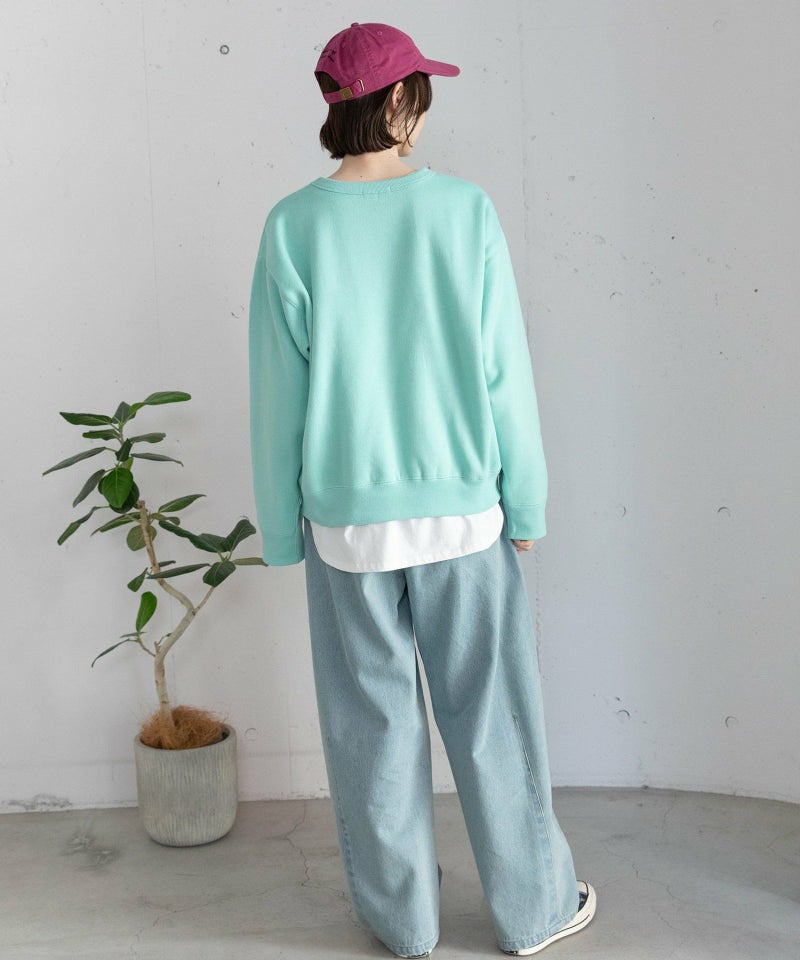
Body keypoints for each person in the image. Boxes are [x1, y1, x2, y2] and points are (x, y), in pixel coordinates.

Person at [248, 20, 597, 958]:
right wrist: (527, 501)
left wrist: (279, 528)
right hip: (462, 519)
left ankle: (403, 925)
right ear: (400, 100)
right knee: (494, 719)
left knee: (370, 728)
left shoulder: (293, 225)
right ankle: (535, 912)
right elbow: (504, 372)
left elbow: (276, 394)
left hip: (347, 528)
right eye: (422, 96)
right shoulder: (464, 210)